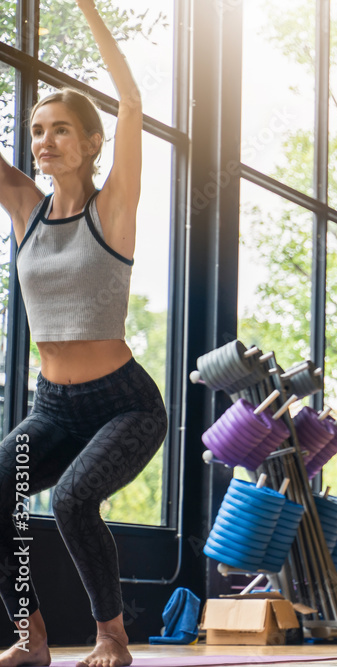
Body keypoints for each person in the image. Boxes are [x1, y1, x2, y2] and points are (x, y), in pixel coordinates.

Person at [0, 2, 167, 666]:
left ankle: (111, 637)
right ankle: (31, 633)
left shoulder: (114, 206)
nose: (44, 141)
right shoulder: (23, 208)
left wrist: (89, 10)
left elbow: (130, 99)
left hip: (123, 403)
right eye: (37, 130)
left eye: (61, 129)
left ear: (93, 142)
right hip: (53, 409)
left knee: (72, 500)